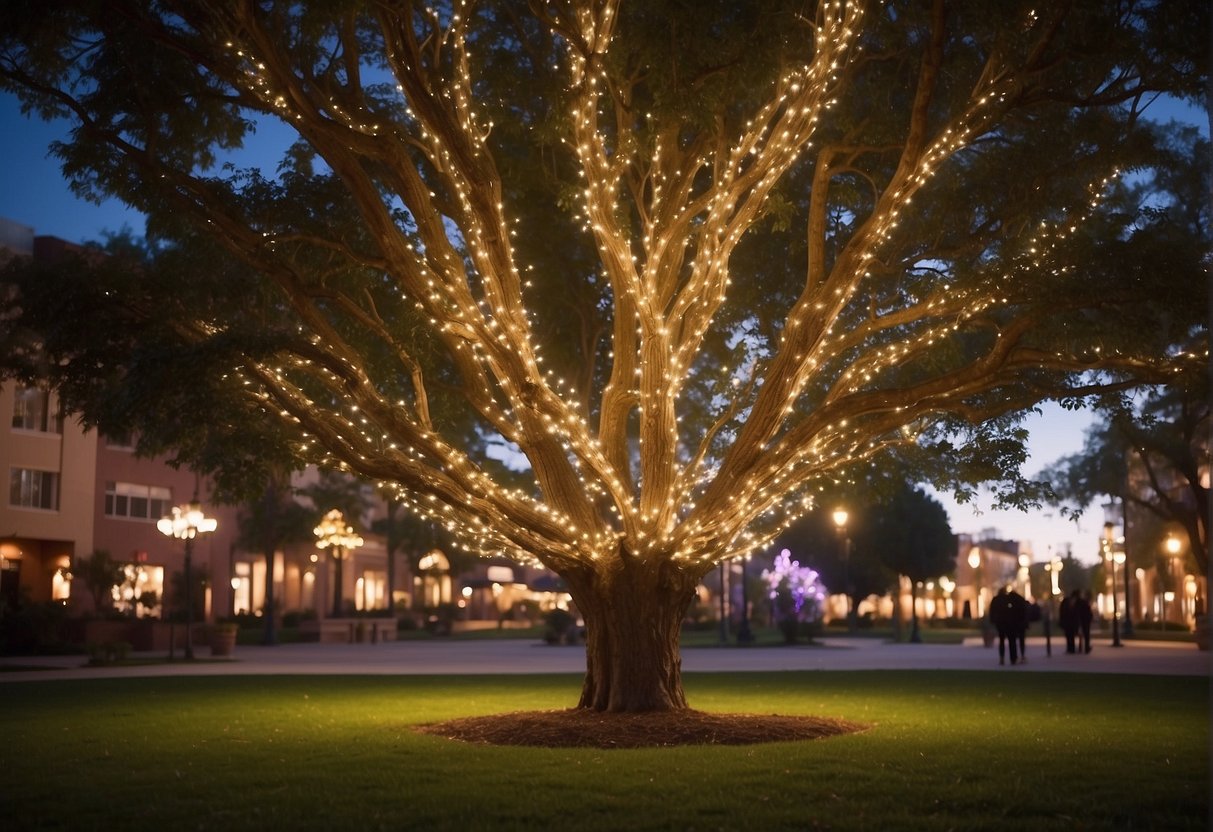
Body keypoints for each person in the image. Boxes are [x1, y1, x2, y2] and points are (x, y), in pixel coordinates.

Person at [988, 587, 1028, 665]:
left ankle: (1002, 658)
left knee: (1001, 640)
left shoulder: (996, 599)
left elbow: (992, 611)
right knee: (1011, 640)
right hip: (1009, 623)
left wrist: (993, 621)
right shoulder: (1008, 599)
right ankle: (1013, 658)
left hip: (1000, 623)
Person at [1059, 590, 1079, 654]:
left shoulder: (1066, 602)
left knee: (1070, 636)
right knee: (1069, 635)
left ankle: (1071, 648)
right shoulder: (1067, 602)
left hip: (1069, 622)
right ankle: (1070, 648)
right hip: (1069, 622)